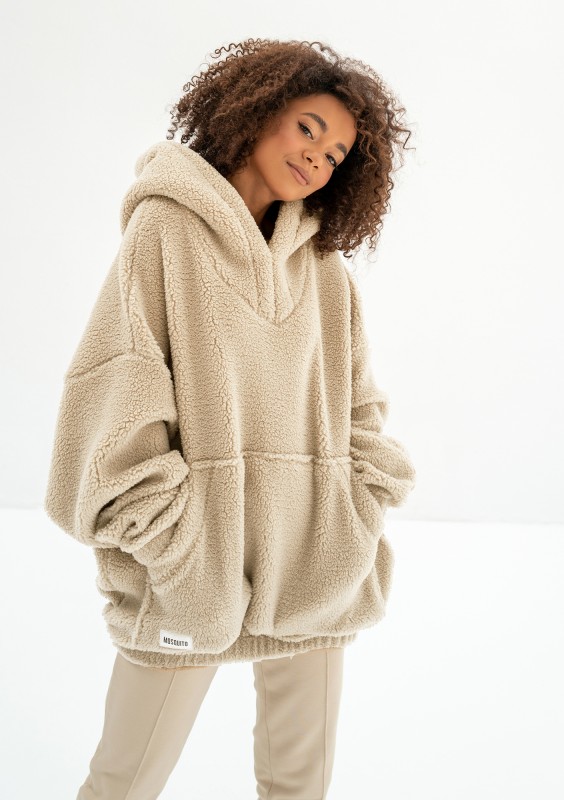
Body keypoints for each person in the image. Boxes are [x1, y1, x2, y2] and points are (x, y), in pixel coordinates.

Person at [44, 37, 417, 800]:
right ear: (255, 110)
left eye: (337, 154)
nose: (318, 157)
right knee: (123, 782)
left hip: (316, 564)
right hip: (191, 573)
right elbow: (116, 401)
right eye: (309, 128)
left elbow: (360, 406)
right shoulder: (165, 231)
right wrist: (179, 548)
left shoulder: (325, 269)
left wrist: (354, 513)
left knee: (299, 787)